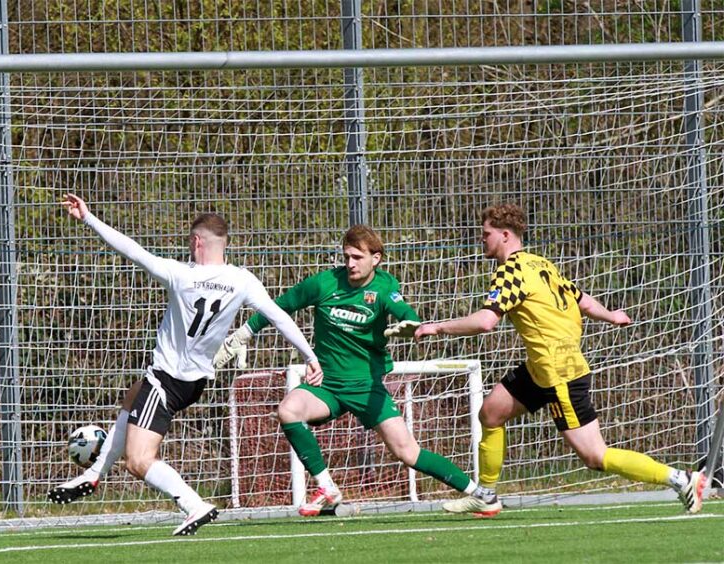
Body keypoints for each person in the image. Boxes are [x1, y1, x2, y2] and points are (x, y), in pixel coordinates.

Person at [48, 193, 322, 536]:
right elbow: (280, 318)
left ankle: (194, 504)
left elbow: (131, 249)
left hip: (166, 381)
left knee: (138, 461)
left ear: (196, 242)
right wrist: (310, 357)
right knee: (133, 395)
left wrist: (88, 217)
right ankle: (94, 473)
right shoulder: (242, 279)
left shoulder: (181, 274)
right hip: (195, 384)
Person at [415, 203, 707, 516]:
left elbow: (486, 321)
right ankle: (486, 495)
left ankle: (682, 479)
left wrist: (437, 327)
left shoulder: (510, 269)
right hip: (541, 368)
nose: (481, 240)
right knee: (491, 413)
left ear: (503, 235)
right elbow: (580, 299)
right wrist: (611, 315)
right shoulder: (540, 265)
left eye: (485, 234)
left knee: (595, 456)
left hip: (559, 374)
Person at [215, 225, 495, 516]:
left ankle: (480, 495)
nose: (350, 263)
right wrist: (243, 334)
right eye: (347, 256)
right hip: (327, 386)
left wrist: (411, 325)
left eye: (357, 257)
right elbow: (278, 307)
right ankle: (327, 487)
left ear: (376, 258)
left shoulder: (384, 286)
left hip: (367, 388)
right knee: (288, 410)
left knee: (407, 453)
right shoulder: (325, 283)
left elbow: (404, 311)